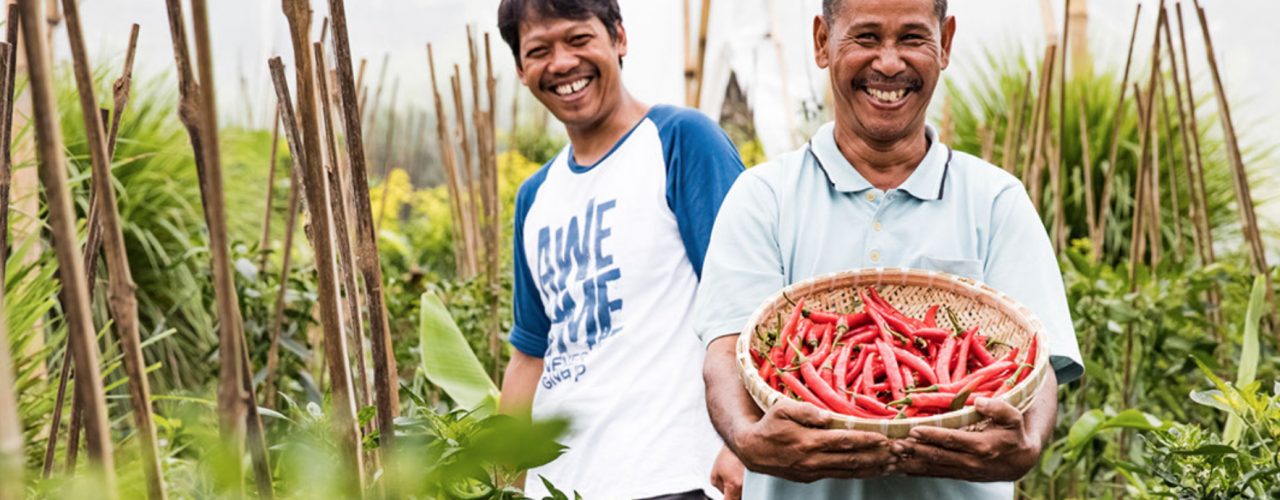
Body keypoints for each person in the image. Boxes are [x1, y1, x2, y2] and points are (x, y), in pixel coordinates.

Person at [692, 0, 1084, 498]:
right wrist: (747, 438)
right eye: (867, 37)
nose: (890, 63)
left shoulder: (995, 200)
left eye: (914, 38)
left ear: (945, 44)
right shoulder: (763, 197)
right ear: (821, 42)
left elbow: (1036, 361)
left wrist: (1027, 442)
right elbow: (727, 353)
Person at [495, 0, 746, 498]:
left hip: (673, 476)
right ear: (523, 70)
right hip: (560, 485)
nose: (562, 62)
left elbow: (748, 302)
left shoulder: (680, 142)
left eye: (579, 39)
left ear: (619, 39)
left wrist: (745, 440)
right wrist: (504, 478)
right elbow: (530, 355)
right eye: (539, 50)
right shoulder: (535, 196)